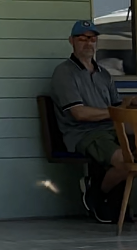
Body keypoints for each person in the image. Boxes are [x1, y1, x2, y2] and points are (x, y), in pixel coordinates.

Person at [46, 20, 129, 223]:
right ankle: (96, 194)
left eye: (91, 39)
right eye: (82, 38)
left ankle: (117, 202)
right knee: (128, 161)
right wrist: (115, 112)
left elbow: (119, 110)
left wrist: (133, 103)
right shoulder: (64, 73)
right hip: (83, 133)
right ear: (71, 41)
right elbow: (79, 114)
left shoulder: (104, 74)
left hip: (111, 131)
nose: (87, 43)